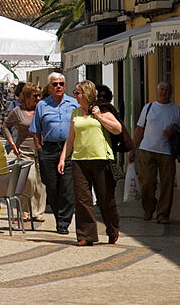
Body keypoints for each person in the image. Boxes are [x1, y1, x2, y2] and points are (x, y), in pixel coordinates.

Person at [58, 81, 122, 246]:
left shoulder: (102, 110)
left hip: (101, 158)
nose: (75, 95)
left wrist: (99, 116)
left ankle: (112, 229)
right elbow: (71, 139)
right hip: (80, 160)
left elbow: (118, 129)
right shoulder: (75, 113)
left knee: (105, 199)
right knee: (82, 199)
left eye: (78, 92)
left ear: (86, 93)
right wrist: (63, 158)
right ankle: (85, 235)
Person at [29, 71, 80, 235]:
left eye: (61, 84)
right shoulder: (42, 106)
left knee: (67, 188)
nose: (59, 87)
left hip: (69, 149)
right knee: (51, 187)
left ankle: (63, 222)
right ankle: (60, 217)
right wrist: (40, 151)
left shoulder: (74, 104)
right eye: (55, 84)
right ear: (49, 87)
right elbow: (36, 131)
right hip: (49, 150)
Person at [130, 81, 180, 223]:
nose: (164, 92)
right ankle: (149, 208)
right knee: (147, 183)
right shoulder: (148, 108)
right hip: (147, 150)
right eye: (162, 89)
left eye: (167, 90)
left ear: (171, 92)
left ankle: (163, 214)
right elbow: (139, 129)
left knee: (167, 184)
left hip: (167, 152)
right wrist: (132, 148)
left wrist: (173, 131)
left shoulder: (176, 110)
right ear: (157, 91)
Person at [4, 84, 46, 222]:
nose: (38, 98)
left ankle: (38, 211)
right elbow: (5, 126)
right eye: (35, 96)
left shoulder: (42, 109)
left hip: (41, 149)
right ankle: (25, 209)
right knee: (29, 179)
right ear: (27, 97)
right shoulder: (18, 111)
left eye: (39, 96)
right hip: (24, 150)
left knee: (41, 182)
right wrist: (11, 143)